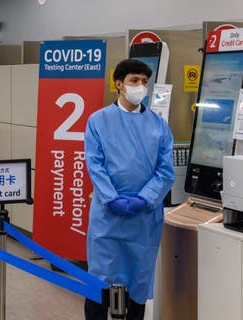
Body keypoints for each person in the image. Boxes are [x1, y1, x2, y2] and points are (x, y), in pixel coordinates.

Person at [83, 59, 175, 320]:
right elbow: (95, 164)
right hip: (108, 219)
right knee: (100, 283)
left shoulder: (158, 126)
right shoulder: (98, 121)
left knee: (137, 285)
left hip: (143, 220)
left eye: (145, 82)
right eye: (135, 81)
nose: (140, 87)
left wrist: (144, 200)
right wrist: (112, 199)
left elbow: (165, 171)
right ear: (119, 84)